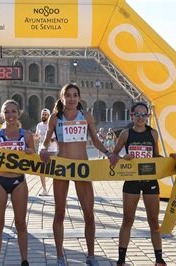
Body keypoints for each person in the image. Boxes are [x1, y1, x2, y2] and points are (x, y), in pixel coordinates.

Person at [40, 83, 117, 266]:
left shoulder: (86, 116)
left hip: (82, 167)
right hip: (63, 167)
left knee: (89, 214)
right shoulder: (54, 118)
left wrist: (108, 153)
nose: (72, 98)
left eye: (75, 95)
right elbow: (45, 142)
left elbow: (96, 141)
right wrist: (42, 150)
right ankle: (60, 257)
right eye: (68, 95)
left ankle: (91, 256)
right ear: (62, 98)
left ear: (79, 98)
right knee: (59, 213)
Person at [110, 102, 176, 266]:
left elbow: (155, 156)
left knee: (154, 221)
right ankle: (121, 259)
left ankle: (158, 259)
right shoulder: (126, 134)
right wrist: (123, 158)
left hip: (150, 181)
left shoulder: (153, 134)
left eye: (144, 115)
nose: (141, 118)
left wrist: (170, 160)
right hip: (131, 181)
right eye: (137, 114)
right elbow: (113, 155)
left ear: (148, 116)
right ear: (132, 116)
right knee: (127, 220)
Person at [0, 100, 35, 266]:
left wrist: (30, 152)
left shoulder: (27, 135)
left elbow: (34, 159)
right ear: (2, 115)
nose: (10, 115)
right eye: (6, 112)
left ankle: (24, 260)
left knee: (20, 222)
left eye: (13, 111)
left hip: (19, 180)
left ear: (19, 113)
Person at [35, 108, 58, 196]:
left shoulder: (52, 125)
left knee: (54, 171)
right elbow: (37, 136)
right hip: (41, 150)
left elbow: (56, 138)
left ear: (48, 116)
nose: (43, 116)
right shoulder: (39, 125)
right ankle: (44, 190)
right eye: (42, 114)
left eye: (45, 114)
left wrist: (49, 142)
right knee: (41, 171)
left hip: (52, 150)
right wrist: (35, 137)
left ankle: (56, 190)